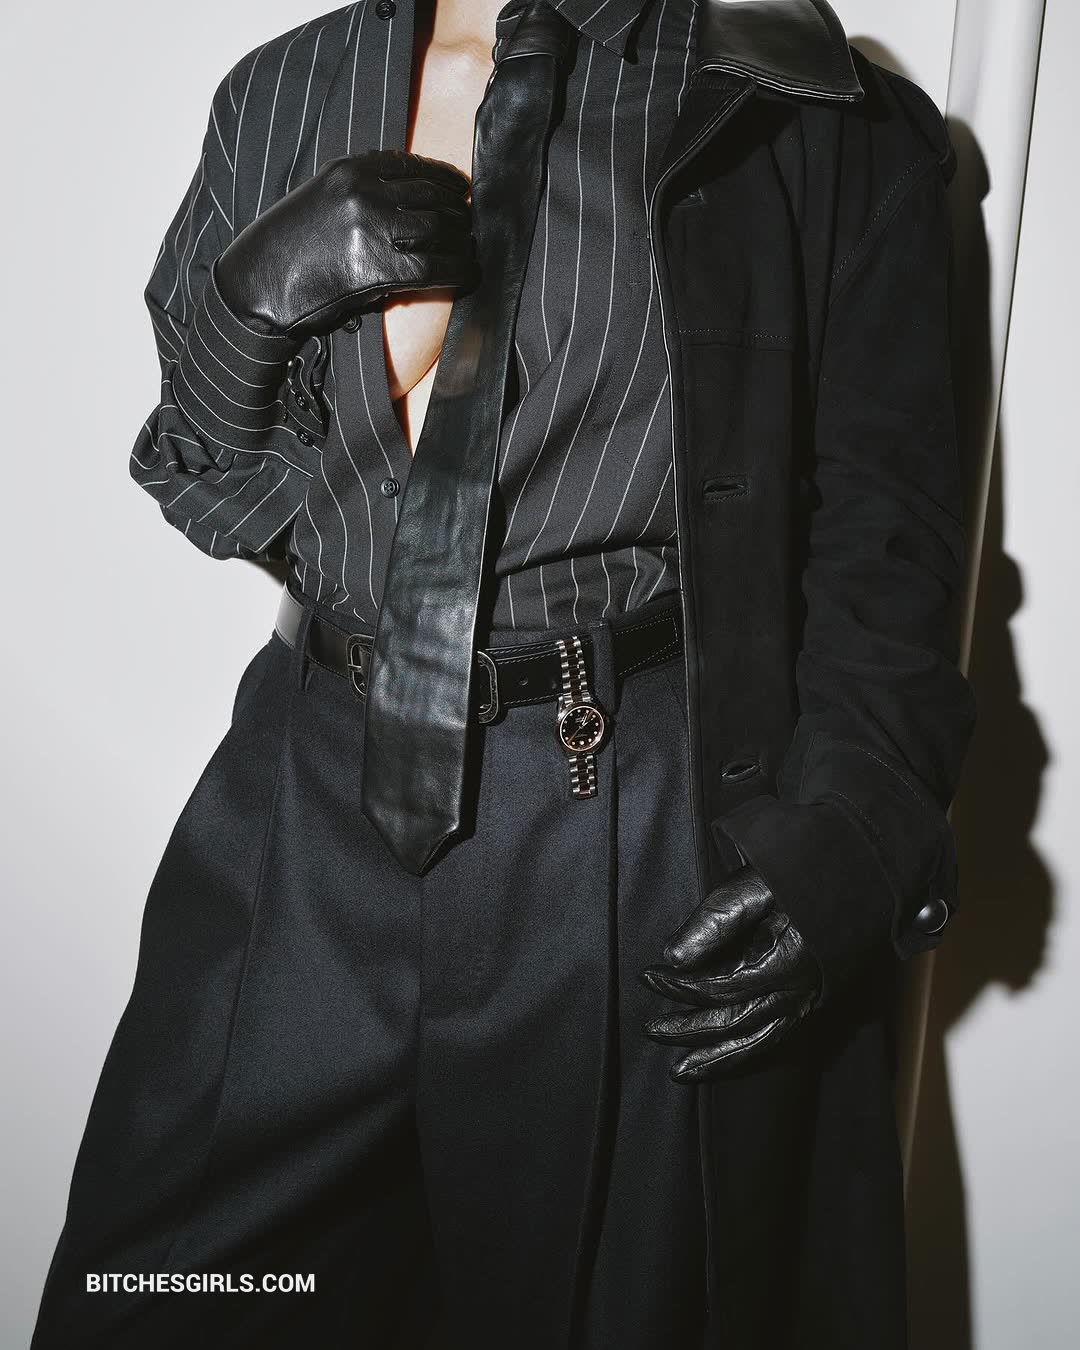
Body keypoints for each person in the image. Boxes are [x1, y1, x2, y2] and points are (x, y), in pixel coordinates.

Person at [31, 1, 977, 1347]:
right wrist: (253, 303)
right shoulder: (283, 89)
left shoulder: (798, 109)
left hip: (615, 830)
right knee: (165, 1292)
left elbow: (887, 529)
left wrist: (857, 827)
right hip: (310, 808)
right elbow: (209, 479)